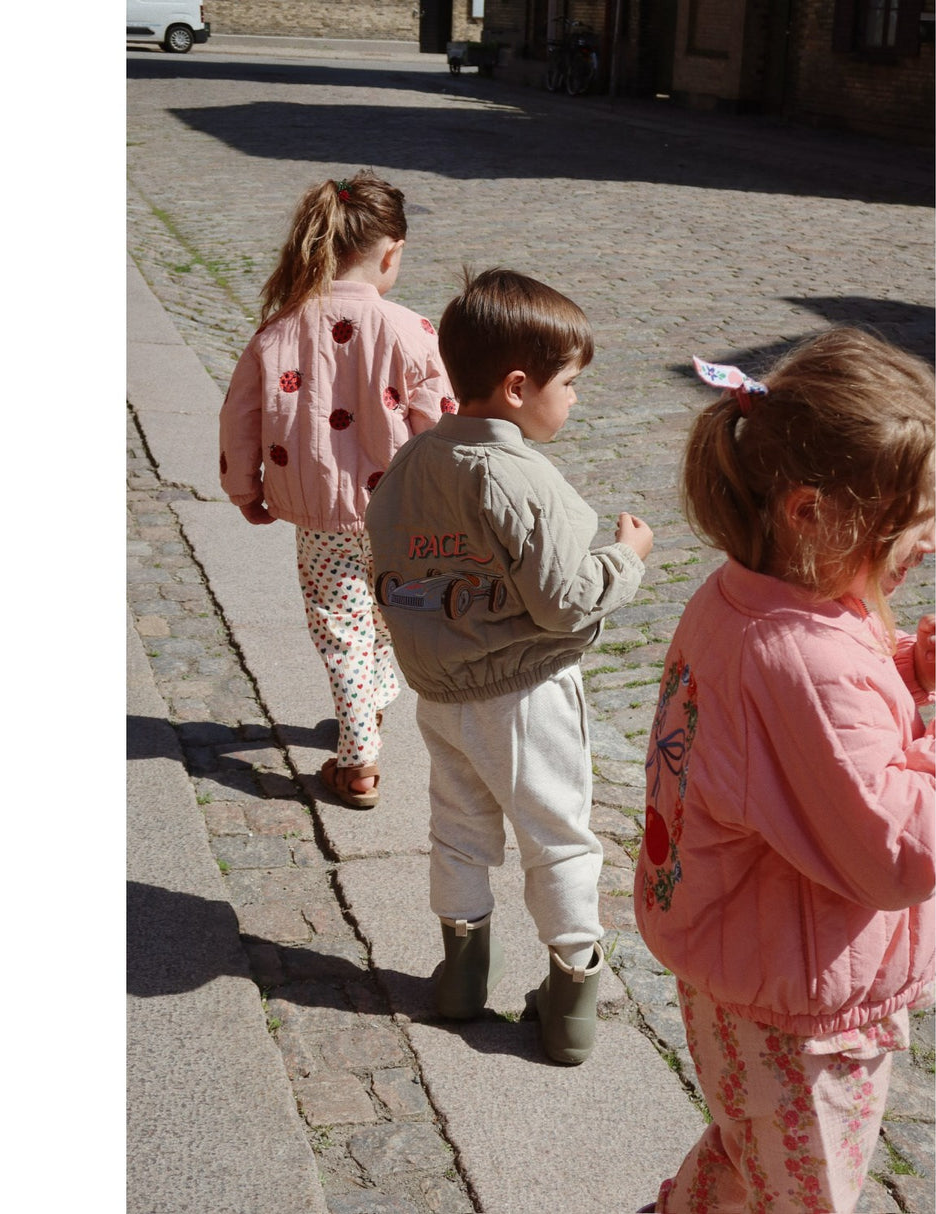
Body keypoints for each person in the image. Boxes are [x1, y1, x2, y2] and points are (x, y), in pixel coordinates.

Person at [634, 328, 935, 1213]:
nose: (931, 540)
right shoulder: (806, 655)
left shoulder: (754, 599)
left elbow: (797, 748)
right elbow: (897, 853)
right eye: (912, 520)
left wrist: (909, 668)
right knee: (805, 1193)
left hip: (744, 963)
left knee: (754, 1152)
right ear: (812, 511)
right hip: (800, 1013)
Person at [365, 268, 654, 1064]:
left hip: (440, 694)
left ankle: (460, 980)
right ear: (520, 386)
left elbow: (383, 555)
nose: (577, 397)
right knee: (557, 838)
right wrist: (625, 558)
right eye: (571, 382)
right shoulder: (521, 475)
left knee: (458, 832)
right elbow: (564, 601)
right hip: (524, 694)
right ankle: (571, 1005)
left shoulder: (413, 462)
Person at [218, 170, 453, 809]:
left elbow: (240, 415)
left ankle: (359, 756)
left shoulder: (280, 329)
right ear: (390, 251)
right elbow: (441, 424)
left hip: (322, 519)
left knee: (341, 628)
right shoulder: (413, 330)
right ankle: (365, 728)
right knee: (386, 618)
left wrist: (247, 489)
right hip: (402, 519)